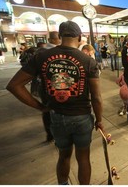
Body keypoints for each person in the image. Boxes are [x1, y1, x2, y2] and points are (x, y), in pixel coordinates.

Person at [6, 20, 104, 185]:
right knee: (83, 157)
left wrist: (41, 107)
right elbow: (96, 97)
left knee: (64, 155)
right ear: (79, 37)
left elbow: (14, 85)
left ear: (59, 36)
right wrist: (100, 120)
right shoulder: (88, 61)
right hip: (82, 117)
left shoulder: (42, 56)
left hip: (57, 116)